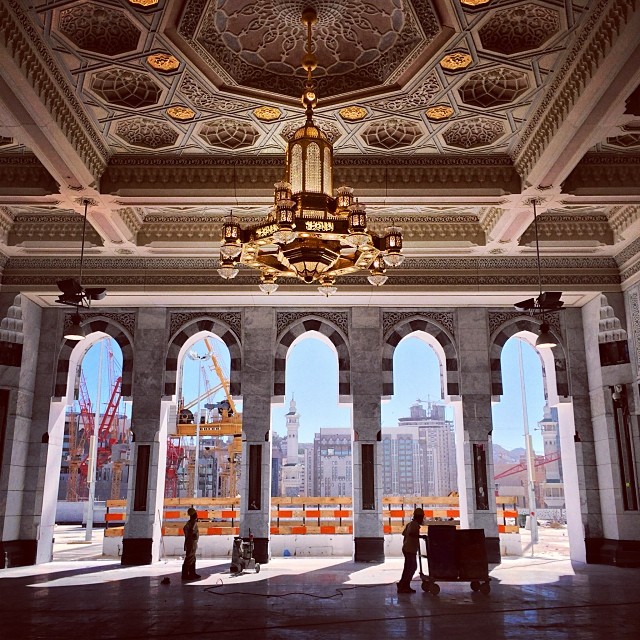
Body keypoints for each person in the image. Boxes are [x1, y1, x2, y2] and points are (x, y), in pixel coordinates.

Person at [397, 507, 425, 593]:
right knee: (412, 567)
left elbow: (404, 533)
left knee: (408, 567)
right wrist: (421, 537)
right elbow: (411, 534)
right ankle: (404, 585)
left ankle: (402, 583)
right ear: (419, 517)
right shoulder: (415, 525)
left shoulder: (410, 524)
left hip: (407, 548)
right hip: (410, 549)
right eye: (422, 517)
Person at [182, 507, 201, 580]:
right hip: (191, 543)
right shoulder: (193, 522)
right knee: (189, 558)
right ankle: (185, 575)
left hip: (191, 543)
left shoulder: (189, 522)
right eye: (195, 513)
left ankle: (192, 573)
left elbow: (185, 529)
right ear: (194, 514)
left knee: (192, 558)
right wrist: (193, 535)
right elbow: (191, 531)